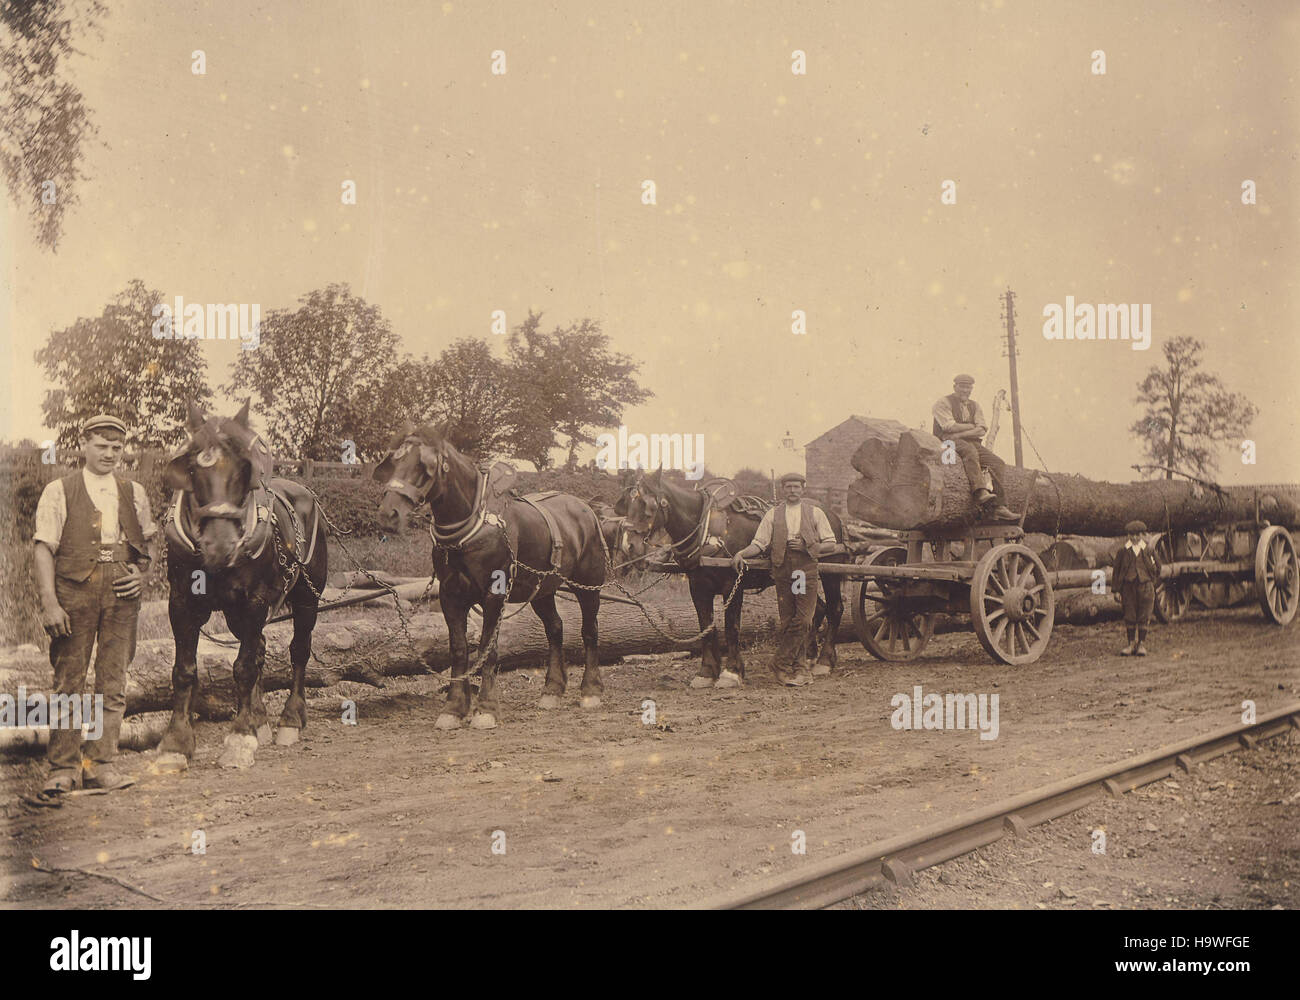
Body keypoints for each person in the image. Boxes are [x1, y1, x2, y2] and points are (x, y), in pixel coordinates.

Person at [33, 414, 157, 794]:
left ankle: (100, 764)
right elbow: (43, 548)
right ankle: (63, 768)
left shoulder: (132, 491)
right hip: (75, 591)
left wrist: (143, 574)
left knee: (113, 681)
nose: (109, 453)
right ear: (83, 445)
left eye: (116, 447)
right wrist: (50, 602)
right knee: (69, 680)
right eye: (101, 446)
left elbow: (149, 543)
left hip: (122, 591)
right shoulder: (60, 489)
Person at [731, 471, 837, 686]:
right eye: (788, 487)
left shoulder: (814, 513)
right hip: (783, 570)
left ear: (803, 489)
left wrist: (810, 546)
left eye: (796, 487)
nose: (792, 491)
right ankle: (798, 669)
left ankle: (780, 661)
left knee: (805, 619)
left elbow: (831, 543)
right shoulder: (773, 514)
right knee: (788, 621)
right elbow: (759, 543)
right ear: (782, 489)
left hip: (804, 569)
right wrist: (741, 553)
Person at [932, 374, 1018, 522]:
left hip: (966, 441)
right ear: (955, 387)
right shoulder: (943, 402)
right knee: (970, 452)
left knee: (997, 463)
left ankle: (999, 507)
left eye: (968, 387)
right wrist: (972, 427)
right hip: (947, 443)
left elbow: (982, 429)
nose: (965, 390)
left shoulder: (975, 405)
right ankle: (980, 492)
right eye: (962, 386)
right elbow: (948, 426)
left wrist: (961, 433)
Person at [1112, 520, 1160, 656]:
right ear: (1128, 535)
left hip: (1145, 587)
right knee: (1130, 614)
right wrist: (1116, 590)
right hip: (1128, 587)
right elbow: (1116, 571)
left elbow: (1158, 566)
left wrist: (1151, 581)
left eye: (1137, 535)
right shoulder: (1123, 551)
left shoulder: (1148, 550)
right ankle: (1131, 644)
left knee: (1144, 615)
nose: (1134, 538)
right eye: (1131, 535)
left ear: (1142, 535)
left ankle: (1141, 645)